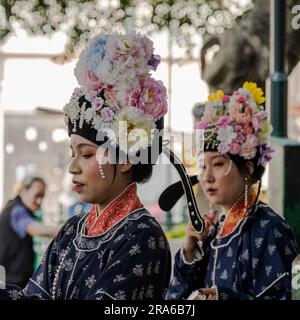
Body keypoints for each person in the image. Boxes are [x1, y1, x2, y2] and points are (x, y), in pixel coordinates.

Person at [0, 31, 171, 300]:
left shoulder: (142, 237)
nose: (73, 168)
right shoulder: (71, 230)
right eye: (73, 153)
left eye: (87, 154)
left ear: (125, 158)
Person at [165, 82, 298, 300]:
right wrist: (189, 252)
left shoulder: (269, 230)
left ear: (247, 168)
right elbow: (179, 298)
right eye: (203, 166)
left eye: (218, 164)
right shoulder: (215, 230)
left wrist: (223, 297)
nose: (206, 177)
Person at [0, 176, 59, 288]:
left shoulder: (16, 207)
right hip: (10, 283)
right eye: (37, 195)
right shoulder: (17, 211)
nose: (39, 201)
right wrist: (69, 228)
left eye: (42, 197)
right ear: (23, 191)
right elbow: (36, 229)